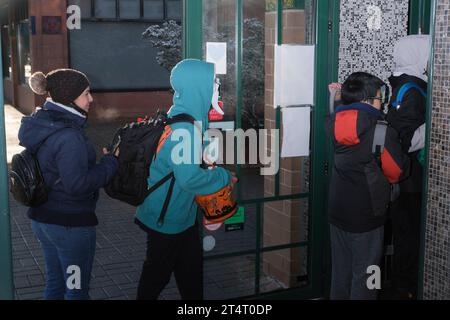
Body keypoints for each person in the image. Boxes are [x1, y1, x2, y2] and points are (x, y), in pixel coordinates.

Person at [135, 59, 237, 300]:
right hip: (167, 218)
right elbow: (189, 179)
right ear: (197, 87)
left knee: (190, 273)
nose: (217, 87)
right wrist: (223, 177)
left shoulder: (181, 115)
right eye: (213, 82)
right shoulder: (186, 129)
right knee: (157, 276)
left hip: (180, 215)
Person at [18, 69, 119, 300]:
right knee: (75, 289)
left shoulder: (43, 122)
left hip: (43, 220)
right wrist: (110, 163)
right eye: (86, 93)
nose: (91, 99)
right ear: (68, 97)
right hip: (69, 227)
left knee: (55, 283)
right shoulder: (68, 136)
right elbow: (78, 185)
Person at [328, 72, 410, 300]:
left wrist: (334, 97)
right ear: (366, 99)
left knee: (341, 272)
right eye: (379, 95)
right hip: (368, 216)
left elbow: (343, 116)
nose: (381, 101)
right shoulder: (382, 130)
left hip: (337, 211)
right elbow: (396, 172)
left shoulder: (333, 121)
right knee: (368, 276)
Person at [386, 34, 430, 299]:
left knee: (406, 232)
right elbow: (404, 140)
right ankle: (406, 288)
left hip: (407, 176)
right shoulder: (411, 89)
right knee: (409, 234)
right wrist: (435, 124)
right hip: (410, 179)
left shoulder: (403, 83)